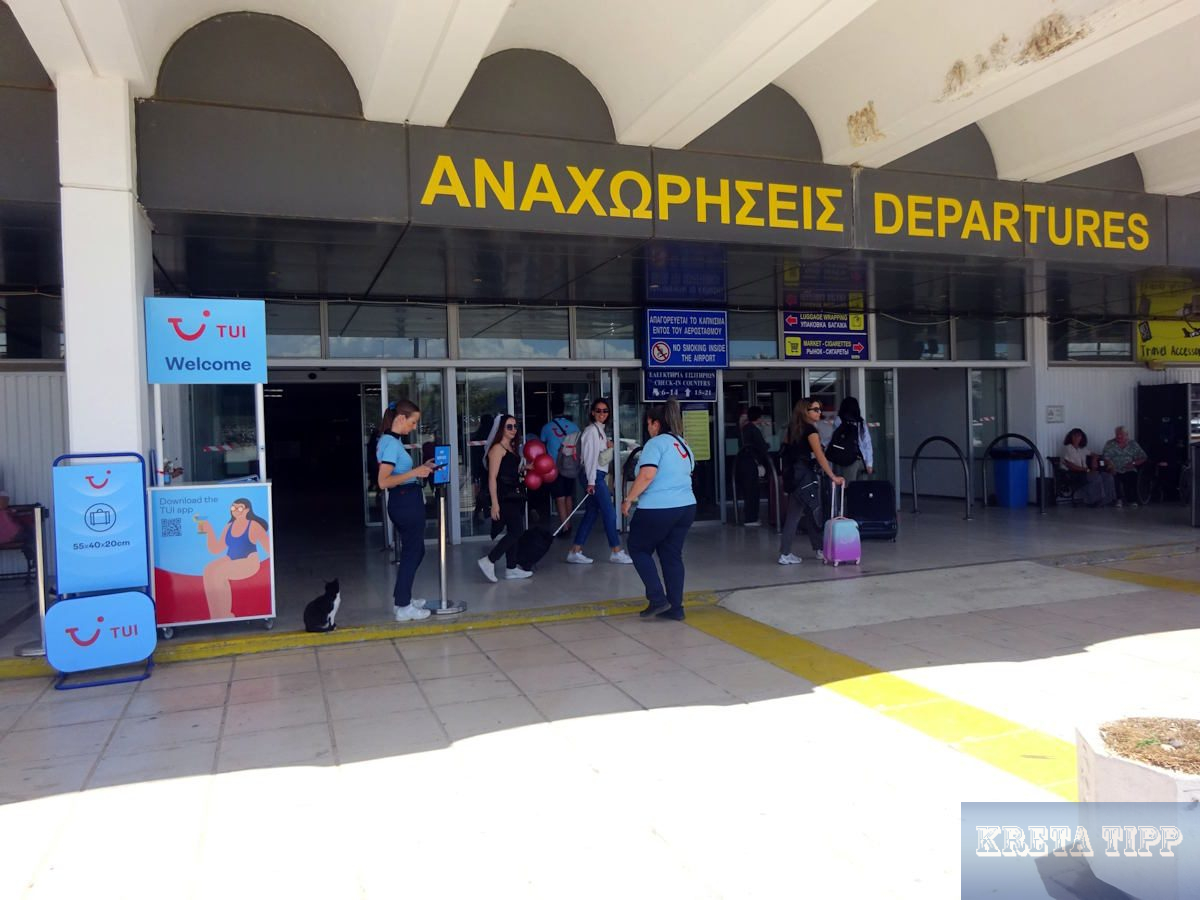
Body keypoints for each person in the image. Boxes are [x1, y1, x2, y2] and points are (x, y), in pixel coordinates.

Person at [621, 398, 696, 621]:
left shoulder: (655, 444)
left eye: (648, 424)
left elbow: (647, 475)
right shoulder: (682, 443)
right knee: (671, 555)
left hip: (658, 507)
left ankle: (657, 599)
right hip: (686, 507)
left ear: (656, 423)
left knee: (637, 548)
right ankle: (676, 608)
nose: (648, 428)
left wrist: (629, 499)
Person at [377, 399, 434, 621]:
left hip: (404, 499)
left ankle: (402, 597)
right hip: (405, 501)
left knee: (416, 551)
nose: (414, 427)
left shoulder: (390, 440)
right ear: (401, 418)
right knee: (413, 552)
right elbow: (383, 481)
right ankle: (403, 605)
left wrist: (422, 468)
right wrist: (415, 472)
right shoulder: (391, 444)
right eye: (413, 422)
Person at [778, 397, 844, 565]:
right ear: (804, 411)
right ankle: (787, 553)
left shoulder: (792, 430)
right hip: (804, 477)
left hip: (793, 476)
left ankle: (817, 548)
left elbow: (784, 452)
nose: (819, 413)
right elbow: (820, 456)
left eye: (819, 409)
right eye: (815, 410)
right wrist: (833, 476)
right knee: (807, 513)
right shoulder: (810, 431)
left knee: (807, 512)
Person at [567, 398, 633, 565]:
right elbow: (589, 458)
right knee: (609, 513)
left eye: (605, 411)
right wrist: (591, 481)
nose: (602, 413)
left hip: (595, 475)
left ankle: (575, 550)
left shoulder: (599, 431)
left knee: (591, 513)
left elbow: (599, 457)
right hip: (594, 476)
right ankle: (616, 551)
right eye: (598, 410)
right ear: (592, 412)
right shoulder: (592, 431)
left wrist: (608, 447)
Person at [479, 413, 534, 582]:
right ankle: (490, 560)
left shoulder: (510, 447)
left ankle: (511, 567)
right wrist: (495, 503)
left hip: (514, 494)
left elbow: (509, 470)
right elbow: (492, 477)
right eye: (509, 426)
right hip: (504, 496)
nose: (513, 429)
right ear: (501, 428)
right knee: (517, 531)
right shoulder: (497, 449)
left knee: (513, 530)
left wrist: (524, 468)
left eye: (515, 426)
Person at [198, 496, 271, 620]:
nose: (236, 510)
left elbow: (268, 547)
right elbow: (216, 549)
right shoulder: (229, 526)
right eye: (233, 508)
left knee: (219, 572)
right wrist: (209, 531)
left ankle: (224, 614)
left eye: (239, 508)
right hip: (230, 559)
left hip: (248, 562)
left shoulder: (253, 525)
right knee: (208, 570)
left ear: (247, 510)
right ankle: (216, 614)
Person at [540, 395, 579, 539]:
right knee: (568, 496)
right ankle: (569, 524)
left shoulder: (546, 428)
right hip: (570, 465)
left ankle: (565, 527)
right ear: (564, 408)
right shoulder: (574, 426)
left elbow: (542, 444)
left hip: (554, 467)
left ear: (551, 410)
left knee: (560, 497)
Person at [1060, 428, 1115, 507]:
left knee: (1107, 476)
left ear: (1082, 438)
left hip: (1084, 472)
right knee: (1095, 476)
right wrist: (1088, 470)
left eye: (1079, 436)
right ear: (1070, 437)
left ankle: (1107, 500)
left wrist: (1094, 459)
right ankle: (1094, 501)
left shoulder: (1082, 448)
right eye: (1074, 436)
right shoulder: (1067, 448)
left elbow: (1095, 454)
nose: (1076, 438)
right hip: (1072, 473)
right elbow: (1070, 465)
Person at [737, 406, 770, 527]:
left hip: (743, 462)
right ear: (759, 417)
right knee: (753, 491)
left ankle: (749, 517)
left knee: (748, 491)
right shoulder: (754, 430)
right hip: (751, 463)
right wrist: (767, 446)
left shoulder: (744, 429)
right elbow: (762, 446)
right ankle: (751, 518)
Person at [827, 396, 874, 482]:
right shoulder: (861, 422)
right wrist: (869, 463)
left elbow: (834, 439)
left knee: (848, 487)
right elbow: (867, 444)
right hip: (861, 460)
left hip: (846, 460)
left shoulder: (839, 420)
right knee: (862, 488)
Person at [1101, 426, 1148, 508]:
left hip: (1129, 468)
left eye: (1121, 434)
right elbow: (1104, 458)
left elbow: (1144, 457)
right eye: (1117, 434)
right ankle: (1118, 499)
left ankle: (1131, 500)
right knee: (1113, 477)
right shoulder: (1110, 444)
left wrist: (1133, 463)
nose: (1119, 436)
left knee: (1132, 476)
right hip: (1114, 468)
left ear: (1127, 435)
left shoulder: (1133, 444)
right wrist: (1110, 466)